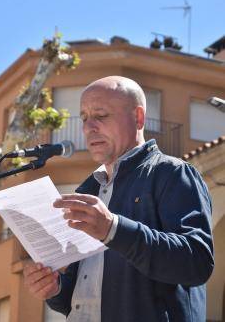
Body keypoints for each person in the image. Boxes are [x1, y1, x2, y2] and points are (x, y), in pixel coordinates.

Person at [23, 76, 214, 322]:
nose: (88, 127)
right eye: (84, 118)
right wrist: (55, 288)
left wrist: (113, 229)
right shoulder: (87, 190)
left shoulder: (173, 173)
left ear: (139, 117)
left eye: (100, 115)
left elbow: (196, 262)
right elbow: (83, 295)